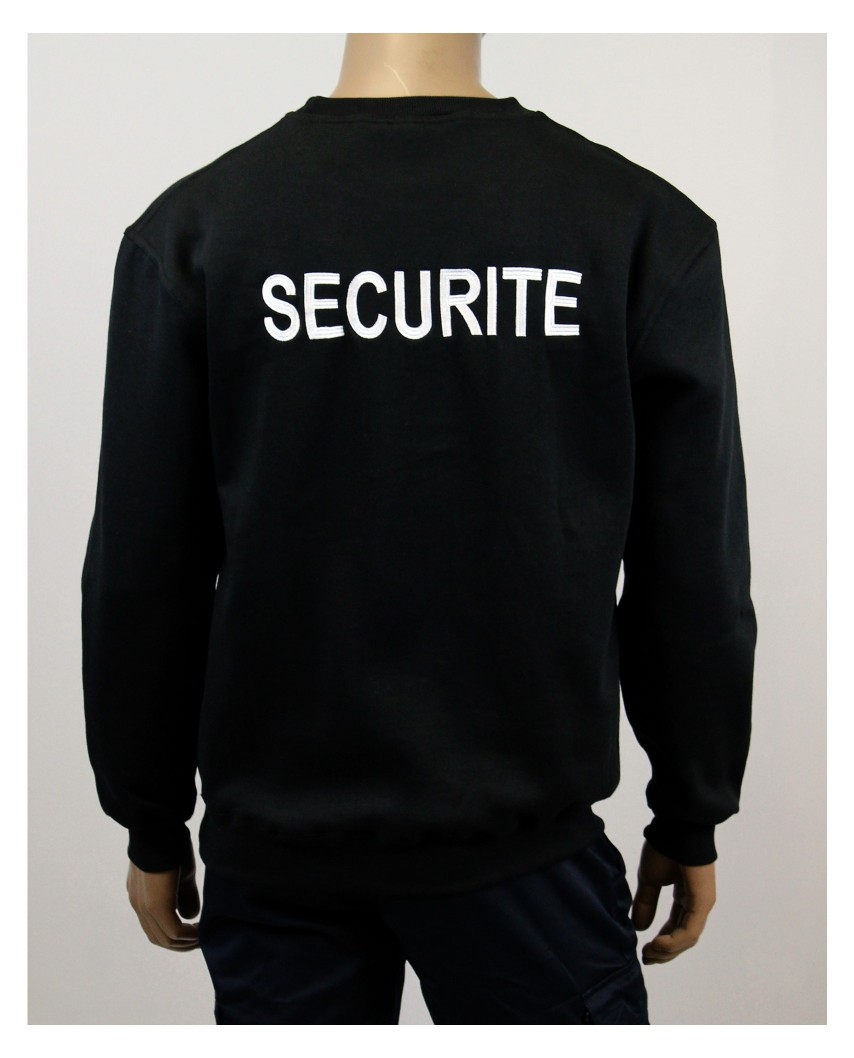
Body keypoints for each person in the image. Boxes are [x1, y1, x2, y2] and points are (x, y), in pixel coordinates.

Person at [80, 33, 758, 1024]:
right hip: (524, 856)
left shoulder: (198, 230)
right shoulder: (635, 226)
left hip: (281, 859)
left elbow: (142, 571)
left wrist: (150, 818)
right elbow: (693, 570)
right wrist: (690, 808)